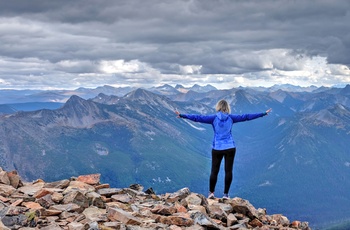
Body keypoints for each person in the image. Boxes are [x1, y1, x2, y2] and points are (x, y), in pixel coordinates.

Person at [175, 99, 271, 199]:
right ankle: (225, 195)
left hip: (217, 147)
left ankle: (211, 193)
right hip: (230, 147)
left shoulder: (213, 118)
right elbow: (246, 117)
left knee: (214, 171)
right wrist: (263, 113)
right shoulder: (231, 118)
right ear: (227, 108)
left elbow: (197, 118)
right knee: (228, 171)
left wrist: (182, 115)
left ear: (218, 107)